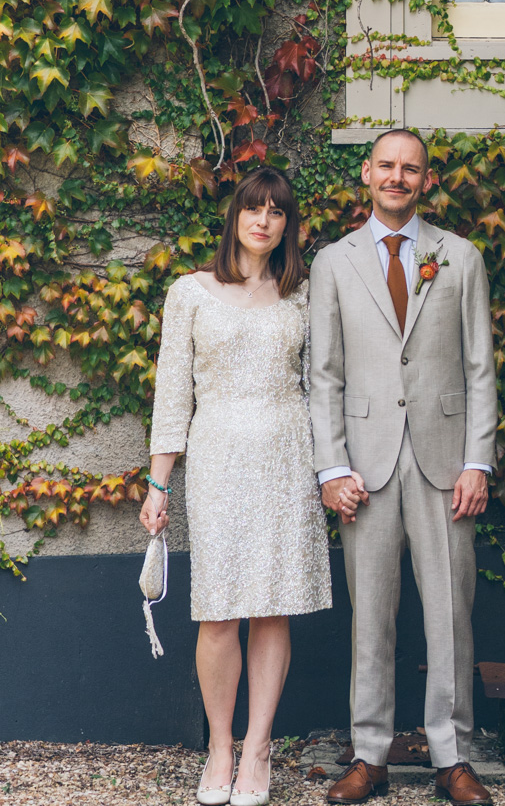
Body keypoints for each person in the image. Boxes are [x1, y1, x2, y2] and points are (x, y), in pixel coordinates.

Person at [309, 129, 498, 806]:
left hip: (446, 461)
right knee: (372, 618)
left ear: (425, 179)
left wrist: (478, 460)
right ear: (367, 173)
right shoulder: (333, 263)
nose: (396, 176)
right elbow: (324, 373)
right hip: (364, 463)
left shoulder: (460, 257)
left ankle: (452, 756)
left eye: (409, 168)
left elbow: (480, 367)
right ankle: (370, 754)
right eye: (386, 165)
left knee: (452, 612)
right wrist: (330, 468)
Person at [140, 166, 332, 806]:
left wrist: (332, 466)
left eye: (277, 212)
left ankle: (257, 750)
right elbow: (173, 395)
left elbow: (320, 387)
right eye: (254, 208)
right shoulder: (189, 292)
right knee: (218, 610)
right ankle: (219, 747)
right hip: (219, 458)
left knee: (271, 605)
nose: (264, 220)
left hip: (285, 457)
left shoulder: (302, 295)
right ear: (235, 217)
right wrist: (159, 484)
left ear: (287, 225)